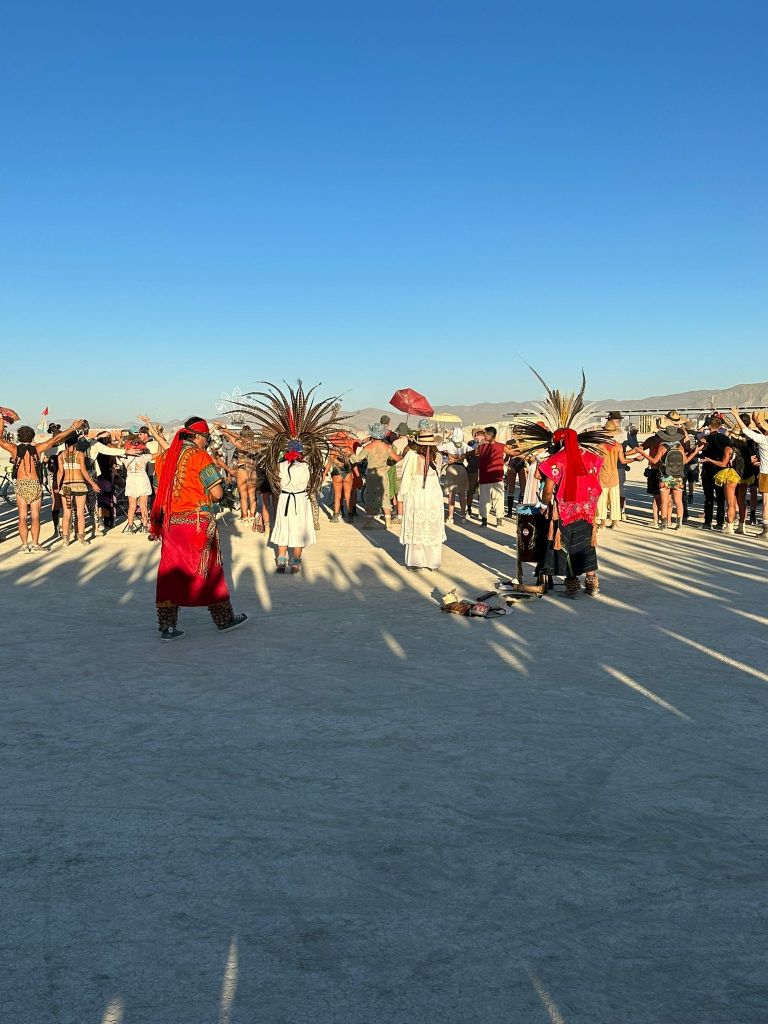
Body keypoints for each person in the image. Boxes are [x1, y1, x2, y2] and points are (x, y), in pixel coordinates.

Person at [151, 416, 247, 640]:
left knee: (169, 574)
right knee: (210, 570)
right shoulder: (200, 457)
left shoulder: (164, 457)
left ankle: (167, 627)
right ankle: (224, 619)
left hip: (172, 526)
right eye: (205, 438)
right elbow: (217, 493)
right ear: (198, 436)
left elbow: (159, 488)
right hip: (197, 525)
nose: (206, 442)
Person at [0, 419, 85, 551]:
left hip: (21, 484)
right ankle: (35, 544)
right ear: (32, 436)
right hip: (34, 484)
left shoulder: (14, 449)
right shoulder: (37, 448)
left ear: (18, 436)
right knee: (35, 516)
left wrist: (0, 422)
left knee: (22, 516)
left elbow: (0, 440)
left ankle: (24, 545)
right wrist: (72, 428)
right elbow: (56, 438)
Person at [635, 414, 702, 531]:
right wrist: (695, 452)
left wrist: (644, 454)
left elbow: (654, 460)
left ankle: (664, 523)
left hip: (665, 476)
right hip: (678, 477)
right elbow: (685, 461)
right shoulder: (679, 447)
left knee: (665, 501)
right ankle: (679, 523)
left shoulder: (663, 446)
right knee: (678, 501)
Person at [398, 430, 446, 570]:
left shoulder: (412, 456)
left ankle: (416, 562)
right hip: (433, 493)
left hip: (418, 492)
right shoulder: (437, 456)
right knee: (431, 525)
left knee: (417, 524)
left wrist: (401, 495)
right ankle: (433, 561)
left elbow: (406, 477)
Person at [270, 441, 316, 573]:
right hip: (301, 499)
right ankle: (295, 565)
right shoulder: (306, 467)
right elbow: (312, 482)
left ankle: (281, 562)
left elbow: (276, 482)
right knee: (299, 530)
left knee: (283, 528)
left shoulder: (280, 466)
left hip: (285, 499)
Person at [57, 433, 102, 545]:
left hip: (66, 486)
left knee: (67, 513)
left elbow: (60, 472)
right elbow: (84, 472)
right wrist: (93, 484)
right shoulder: (80, 454)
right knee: (80, 513)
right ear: (76, 443)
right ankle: (81, 539)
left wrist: (58, 486)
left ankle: (65, 539)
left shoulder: (61, 456)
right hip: (79, 485)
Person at [351, 423, 397, 529]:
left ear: (373, 434)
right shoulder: (387, 447)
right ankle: (388, 522)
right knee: (385, 497)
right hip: (383, 475)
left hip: (371, 475)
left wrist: (349, 457)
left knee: (370, 498)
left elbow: (357, 459)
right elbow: (397, 458)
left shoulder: (368, 447)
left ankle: (368, 523)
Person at [731, 407, 768, 539]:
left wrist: (736, 416)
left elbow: (745, 430)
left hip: (765, 473)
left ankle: (766, 530)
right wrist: (757, 423)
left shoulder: (763, 440)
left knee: (765, 503)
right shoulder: (762, 437)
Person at [595, 417, 633, 528]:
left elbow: (596, 463)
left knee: (602, 500)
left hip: (602, 475)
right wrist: (635, 459)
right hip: (614, 475)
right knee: (614, 499)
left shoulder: (599, 446)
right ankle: (614, 522)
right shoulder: (618, 446)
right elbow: (623, 460)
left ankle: (602, 522)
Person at [475, 426, 513, 528]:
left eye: (487, 434)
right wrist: (479, 443)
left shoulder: (501, 446)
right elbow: (474, 453)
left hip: (497, 477)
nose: (485, 436)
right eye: (485, 434)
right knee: (484, 500)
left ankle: (499, 520)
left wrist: (523, 452)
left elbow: (511, 452)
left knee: (499, 499)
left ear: (492, 435)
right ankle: (484, 520)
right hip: (485, 477)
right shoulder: (482, 446)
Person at [699, 413, 729, 530]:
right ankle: (720, 522)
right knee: (721, 498)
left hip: (708, 470)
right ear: (720, 425)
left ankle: (708, 522)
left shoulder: (706, 439)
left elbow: (701, 453)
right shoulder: (725, 439)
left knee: (709, 497)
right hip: (721, 470)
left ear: (709, 426)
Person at [439, 427, 470, 523]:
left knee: (451, 494)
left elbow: (437, 448)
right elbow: (474, 451)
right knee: (462, 494)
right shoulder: (465, 446)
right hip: (462, 469)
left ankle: (450, 516)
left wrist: (445, 453)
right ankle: (463, 516)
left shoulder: (448, 445)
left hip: (451, 469)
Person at [464, 429, 485, 517]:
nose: (479, 435)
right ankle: (469, 508)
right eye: (478, 434)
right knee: (470, 490)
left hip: (482, 470)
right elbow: (467, 454)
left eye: (481, 434)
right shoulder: (471, 443)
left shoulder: (486, 444)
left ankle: (481, 510)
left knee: (481, 491)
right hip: (472, 469)